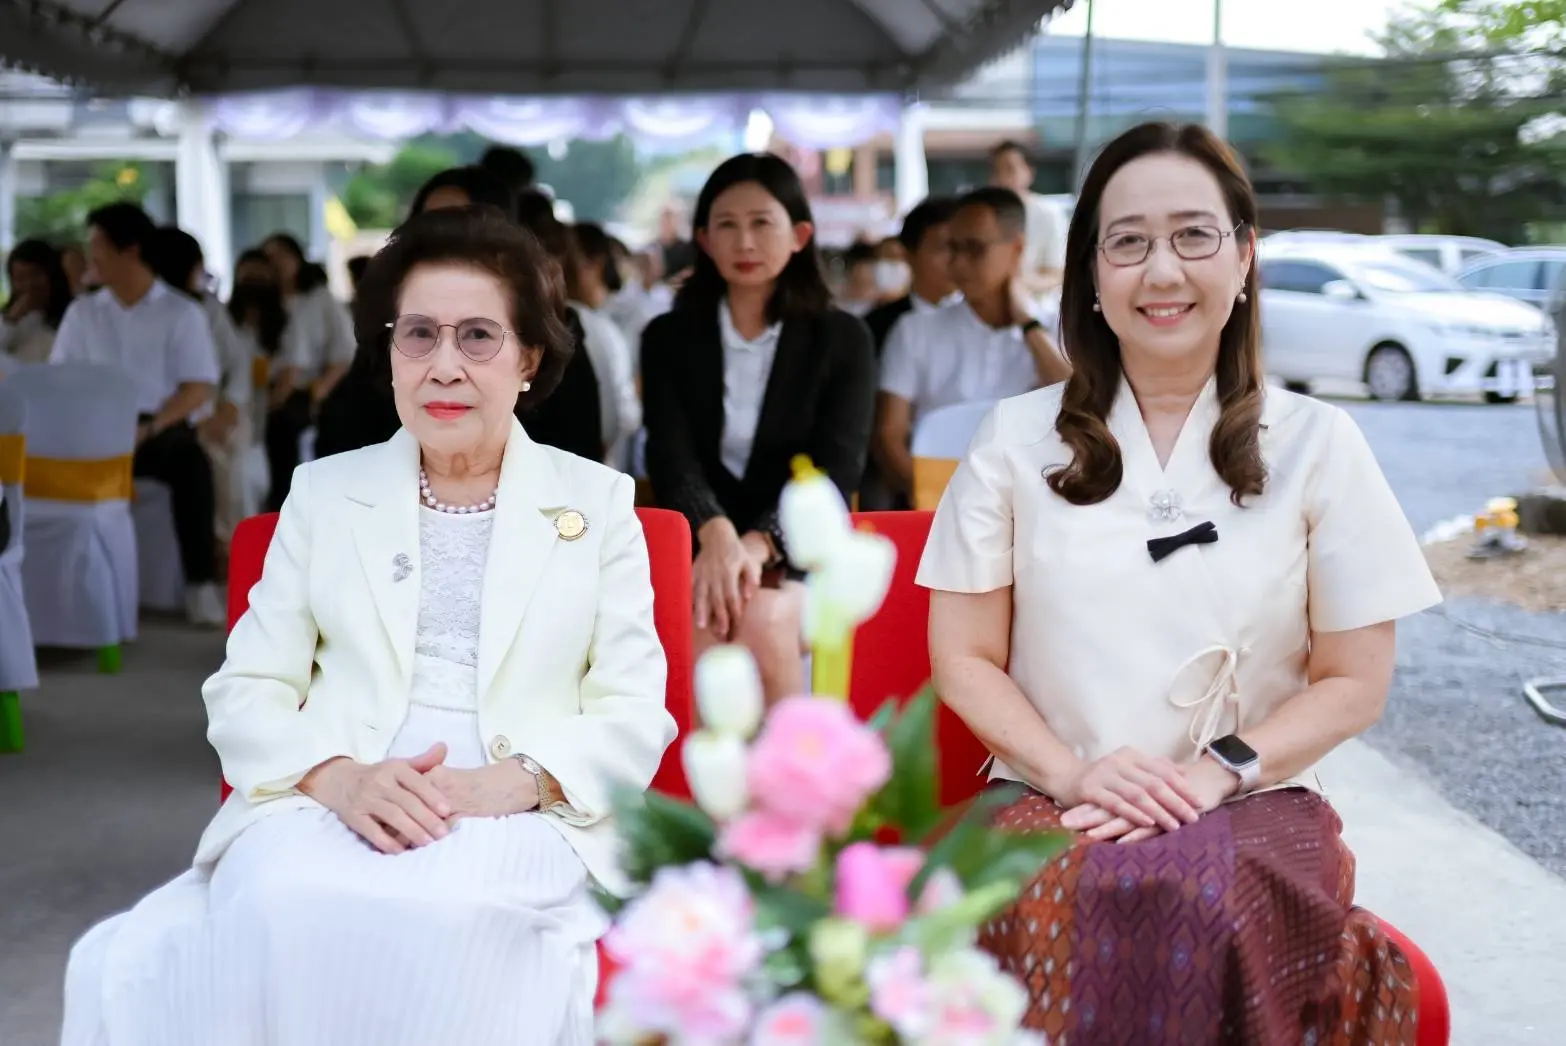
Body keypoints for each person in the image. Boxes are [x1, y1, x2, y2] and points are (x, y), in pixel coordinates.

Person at [59, 205, 677, 1046]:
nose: (444, 366)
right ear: (389, 353)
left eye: (478, 338)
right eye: (418, 335)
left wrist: (506, 786)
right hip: (335, 781)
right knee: (278, 900)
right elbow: (246, 692)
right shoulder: (324, 492)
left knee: (457, 914)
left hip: (520, 803)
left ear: (529, 357)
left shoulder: (596, 503)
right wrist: (339, 778)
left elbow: (633, 710)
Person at [919, 121, 1440, 1042]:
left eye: (1194, 235)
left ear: (1244, 257)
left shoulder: (1319, 444)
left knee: (1212, 901)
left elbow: (1355, 681)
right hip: (1050, 791)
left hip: (1256, 795)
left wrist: (1216, 773)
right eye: (1128, 242)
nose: (1162, 271)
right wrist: (1074, 772)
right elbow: (963, 657)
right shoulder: (1013, 439)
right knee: (1042, 895)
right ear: (1090, 273)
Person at [641, 152, 875, 704]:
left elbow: (836, 468)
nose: (744, 242)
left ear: (799, 235)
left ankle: (792, 762)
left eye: (761, 223)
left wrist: (759, 542)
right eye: (726, 225)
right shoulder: (668, 337)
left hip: (801, 550)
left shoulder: (842, 339)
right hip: (701, 546)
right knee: (704, 620)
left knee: (767, 620)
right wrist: (716, 535)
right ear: (703, 239)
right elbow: (670, 453)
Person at [49, 203, 224, 625]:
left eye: (97, 246)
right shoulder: (83, 313)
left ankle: (200, 584)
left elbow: (197, 387)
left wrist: (148, 428)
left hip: (157, 427)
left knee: (191, 462)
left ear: (129, 250)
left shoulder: (181, 312)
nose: (90, 258)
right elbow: (61, 380)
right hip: (93, 428)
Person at [875, 187, 1070, 504]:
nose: (958, 264)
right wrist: (939, 500)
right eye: (953, 248)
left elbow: (1079, 406)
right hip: (938, 505)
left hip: (1037, 504)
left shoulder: (1056, 326)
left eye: (974, 249)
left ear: (1016, 249)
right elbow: (889, 436)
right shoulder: (915, 330)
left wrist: (1027, 324)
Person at [313, 167, 516, 461]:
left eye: (478, 334)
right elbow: (345, 425)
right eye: (428, 224)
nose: (445, 371)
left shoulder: (535, 323)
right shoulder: (387, 323)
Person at [148, 227, 254, 545]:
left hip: (217, 410)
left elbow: (238, 365)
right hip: (171, 418)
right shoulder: (147, 313)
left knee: (229, 463)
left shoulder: (209, 309)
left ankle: (234, 545)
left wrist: (228, 408)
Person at [260, 232, 354, 509]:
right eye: (269, 258)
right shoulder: (266, 303)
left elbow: (344, 351)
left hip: (310, 389)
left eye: (282, 255)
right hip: (267, 390)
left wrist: (319, 390)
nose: (276, 263)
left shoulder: (319, 299)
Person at [863, 197, 959, 354]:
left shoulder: (984, 320)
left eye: (962, 247)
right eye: (942, 248)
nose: (955, 259)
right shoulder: (876, 327)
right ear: (907, 255)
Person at [990, 139, 1067, 296]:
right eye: (997, 171)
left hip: (1038, 304)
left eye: (1010, 169)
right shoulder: (986, 215)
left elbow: (1056, 275)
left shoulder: (1049, 213)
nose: (1003, 178)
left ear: (1029, 172)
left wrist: (1015, 284)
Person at [2, 239, 74, 363]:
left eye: (36, 274)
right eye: (20, 277)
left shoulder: (73, 315)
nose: (29, 284)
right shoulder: (6, 321)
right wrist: (12, 318)